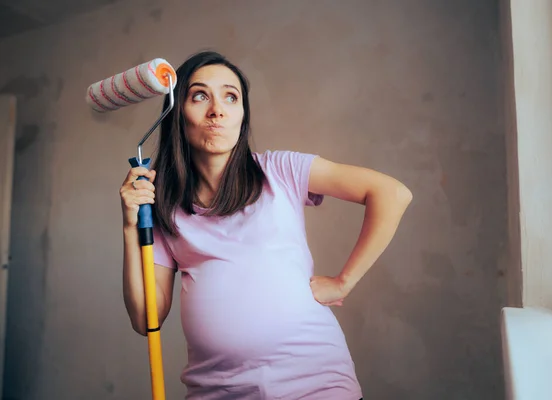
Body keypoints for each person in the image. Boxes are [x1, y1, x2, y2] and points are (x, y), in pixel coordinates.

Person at [119, 51, 412, 400]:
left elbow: (391, 193)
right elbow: (145, 319)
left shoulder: (280, 170)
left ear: (242, 116)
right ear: (177, 114)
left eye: (231, 96)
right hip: (215, 392)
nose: (218, 110)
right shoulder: (167, 207)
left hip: (317, 387)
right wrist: (129, 225)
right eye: (200, 96)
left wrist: (343, 282)